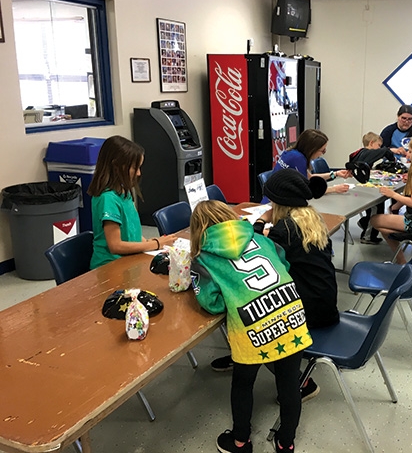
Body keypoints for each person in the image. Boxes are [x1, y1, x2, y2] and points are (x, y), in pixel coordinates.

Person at [190, 200, 311, 453]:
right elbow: (284, 264)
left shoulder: (205, 259)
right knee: (289, 385)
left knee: (243, 384)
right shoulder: (262, 238)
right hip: (291, 315)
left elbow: (211, 303)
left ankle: (240, 441)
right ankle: (286, 442)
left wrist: (233, 294)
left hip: (252, 327)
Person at [212, 169, 340, 402]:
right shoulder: (311, 219)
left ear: (280, 203)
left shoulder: (284, 230)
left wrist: (260, 221)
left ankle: (303, 383)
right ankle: (237, 354)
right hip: (325, 301)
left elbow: (253, 248)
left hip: (309, 311)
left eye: (271, 200)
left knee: (256, 313)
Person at [88, 135, 177, 269]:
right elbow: (115, 245)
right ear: (116, 166)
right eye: (135, 167)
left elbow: (131, 230)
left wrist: (149, 243)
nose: (139, 173)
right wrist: (156, 244)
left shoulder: (123, 192)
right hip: (110, 266)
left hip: (130, 260)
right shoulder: (108, 198)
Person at [371, 133, 412, 264]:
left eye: (411, 152)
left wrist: (393, 194)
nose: (407, 154)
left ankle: (401, 260)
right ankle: (399, 256)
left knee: (375, 220)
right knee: (385, 225)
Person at [348, 132, 396, 244]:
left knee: (379, 205)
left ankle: (365, 222)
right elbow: (384, 151)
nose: (379, 148)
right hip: (361, 189)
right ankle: (368, 236)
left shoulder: (358, 153)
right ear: (371, 143)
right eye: (378, 145)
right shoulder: (367, 154)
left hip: (359, 186)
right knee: (377, 207)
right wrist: (391, 155)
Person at [273, 129, 351, 194]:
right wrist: (334, 189)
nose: (322, 153)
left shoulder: (292, 153)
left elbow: (309, 178)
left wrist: (335, 174)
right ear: (312, 149)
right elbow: (308, 190)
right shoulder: (298, 159)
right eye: (322, 150)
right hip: (278, 203)